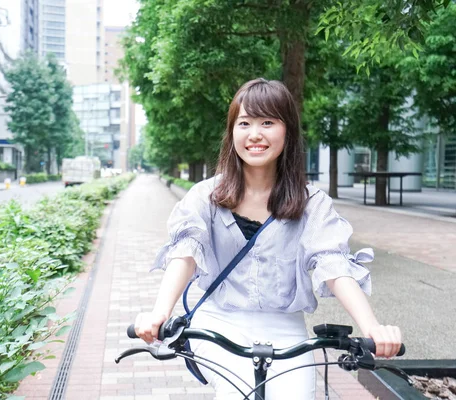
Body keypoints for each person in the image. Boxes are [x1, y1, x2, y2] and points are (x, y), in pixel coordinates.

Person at [133, 78, 402, 399]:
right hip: (219, 321)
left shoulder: (312, 203)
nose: (255, 133)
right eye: (244, 123)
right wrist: (159, 313)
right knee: (242, 391)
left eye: (268, 122)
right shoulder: (205, 196)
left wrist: (371, 327)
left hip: (284, 325)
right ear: (232, 132)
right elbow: (185, 254)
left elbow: (332, 264)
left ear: (287, 130)